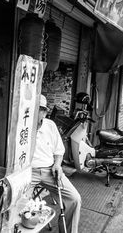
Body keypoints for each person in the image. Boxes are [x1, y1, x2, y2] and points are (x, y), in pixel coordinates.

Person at [31, 94, 81, 233]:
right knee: (17, 203)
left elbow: (59, 150)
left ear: (45, 112)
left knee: (74, 199)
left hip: (50, 171)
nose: (37, 112)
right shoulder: (23, 126)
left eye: (40, 109)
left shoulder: (50, 125)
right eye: (34, 108)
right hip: (28, 173)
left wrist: (57, 164)